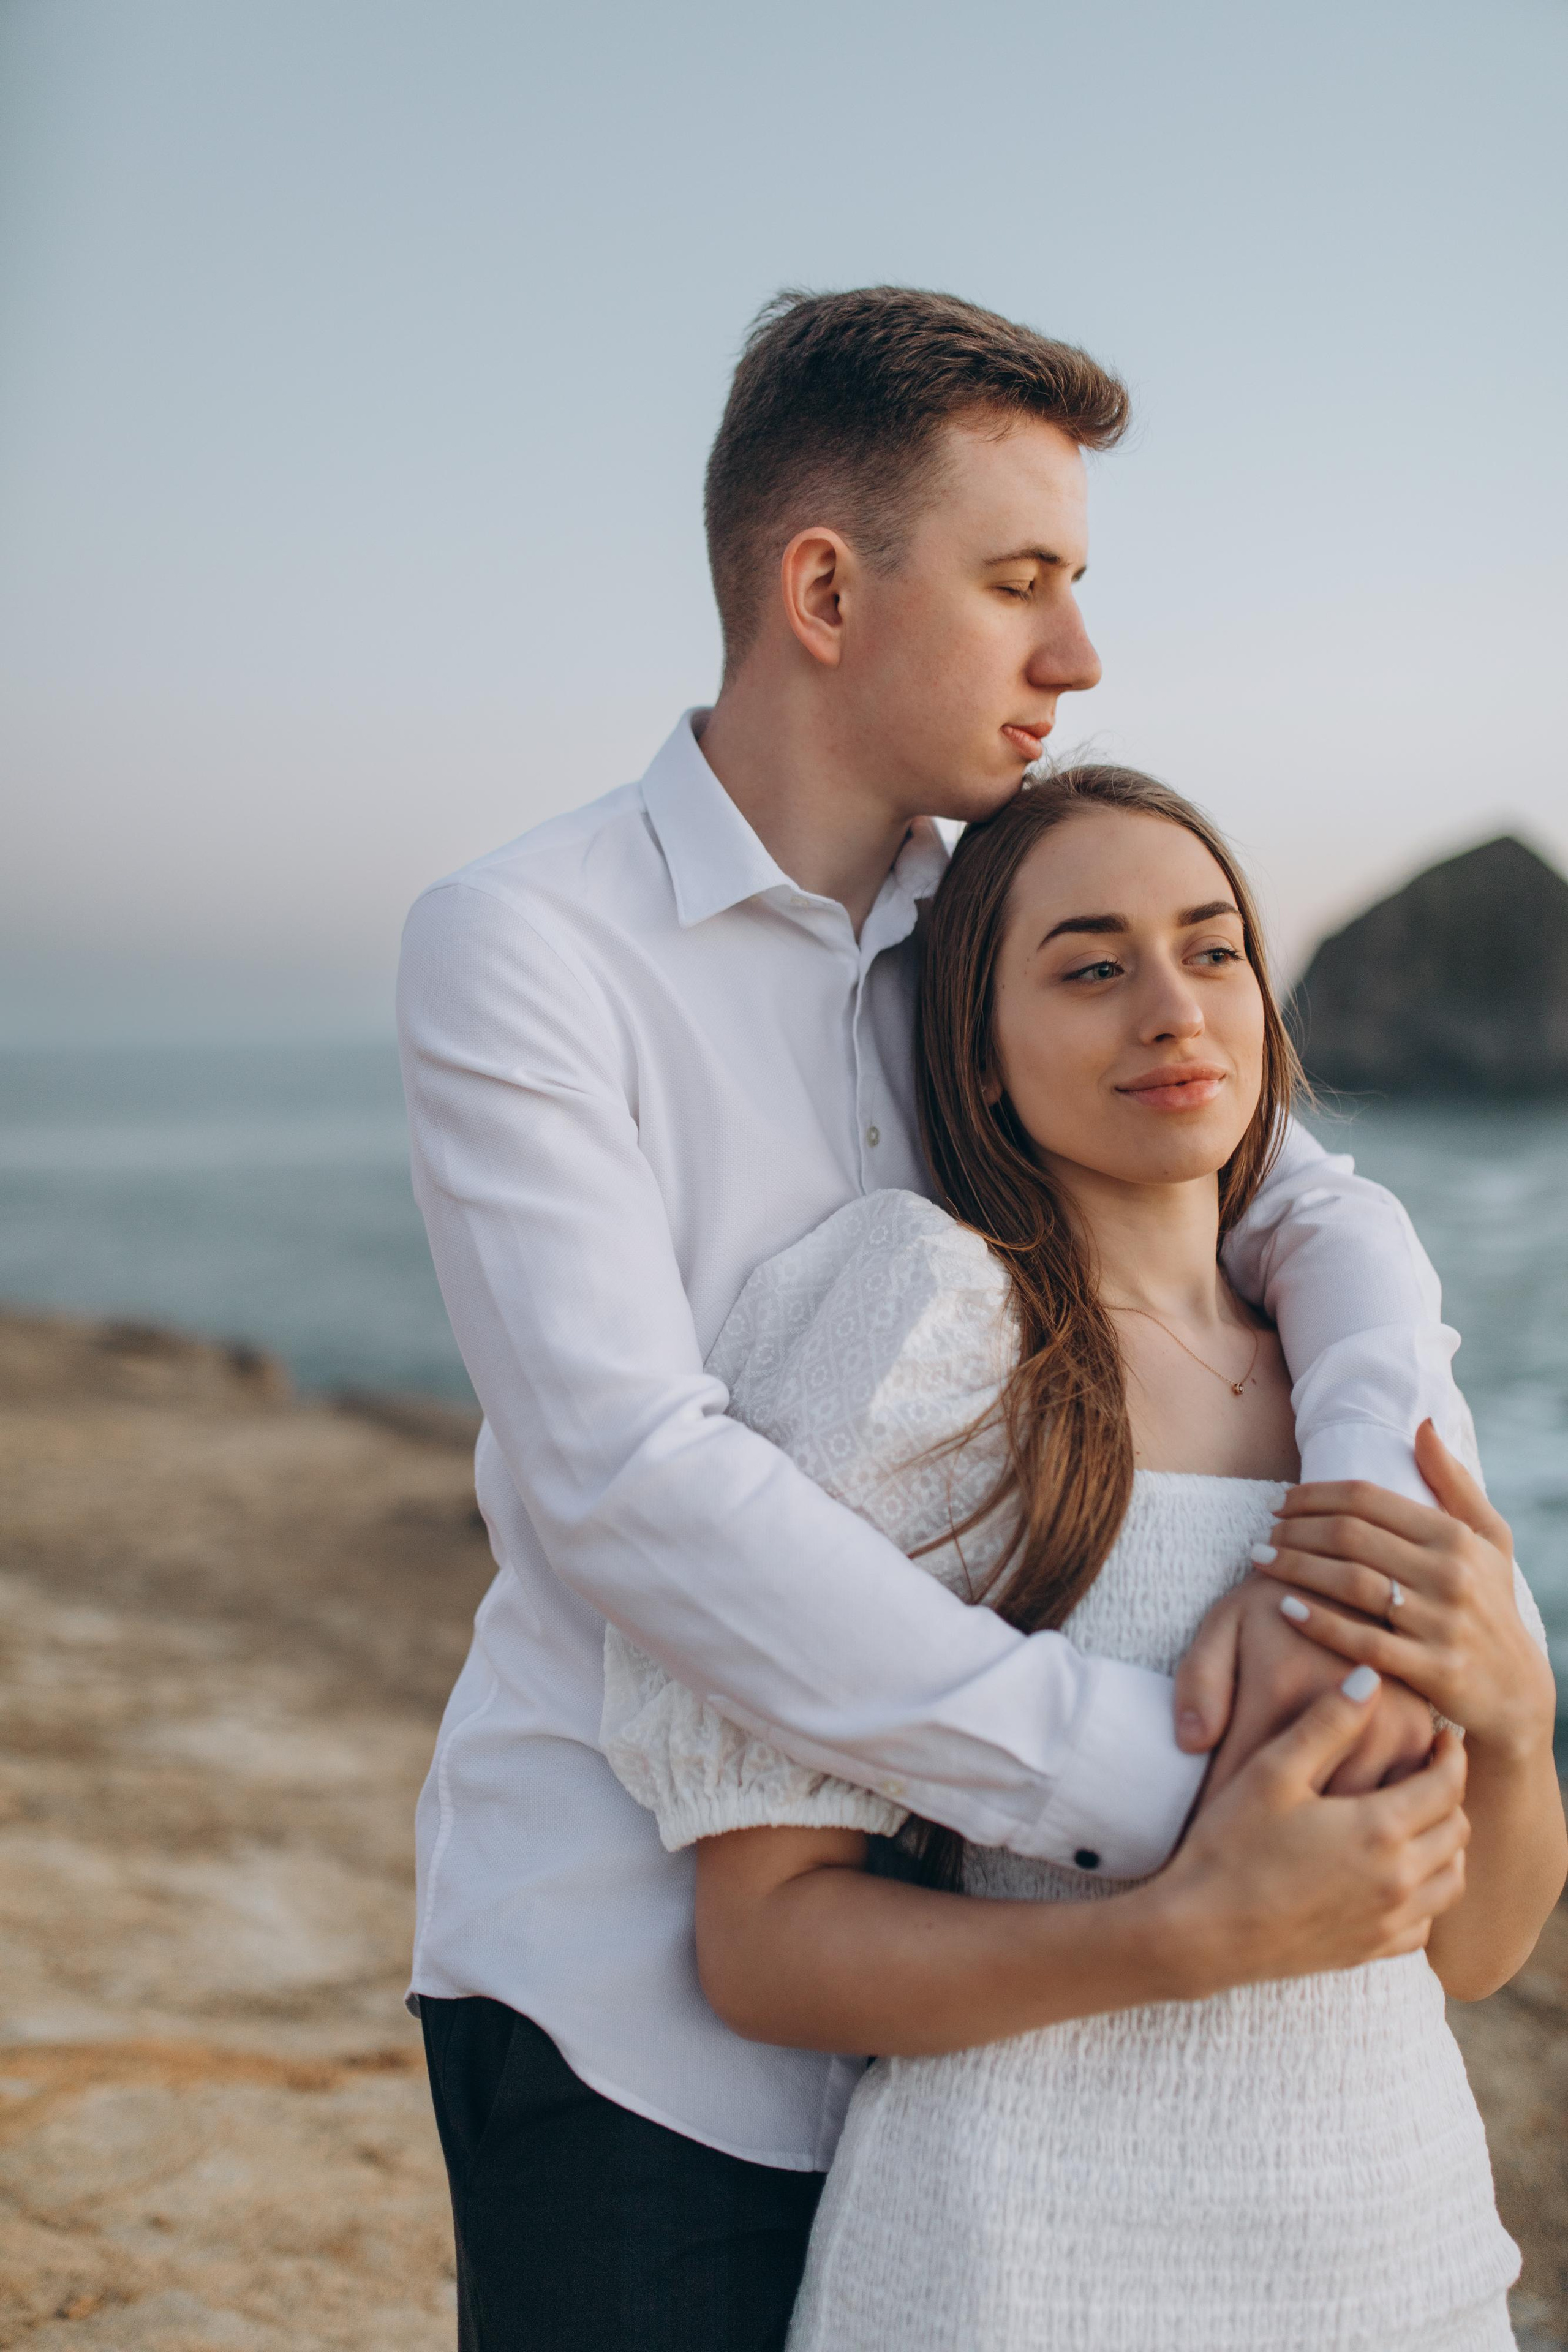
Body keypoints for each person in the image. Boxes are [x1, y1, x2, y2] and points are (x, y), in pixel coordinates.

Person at [398, 287, 1479, 2351]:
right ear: (823, 586)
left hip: (993, 2018)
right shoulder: (528, 949)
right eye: (1019, 585)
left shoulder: (1002, 926)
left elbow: (1319, 1206)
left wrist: (1352, 1546)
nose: (1075, 656)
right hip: (637, 1991)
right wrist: (1161, 1784)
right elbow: (630, 1482)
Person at [605, 765, 1566, 2350]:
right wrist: (1173, 1938)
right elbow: (765, 1945)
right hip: (1020, 2269)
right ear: (980, 1059)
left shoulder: (1365, 1390)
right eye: (1092, 966)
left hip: (1397, 2258)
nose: (1174, 1010)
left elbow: (1474, 1946)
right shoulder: (935, 1341)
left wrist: (1519, 1732)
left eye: (1213, 950)